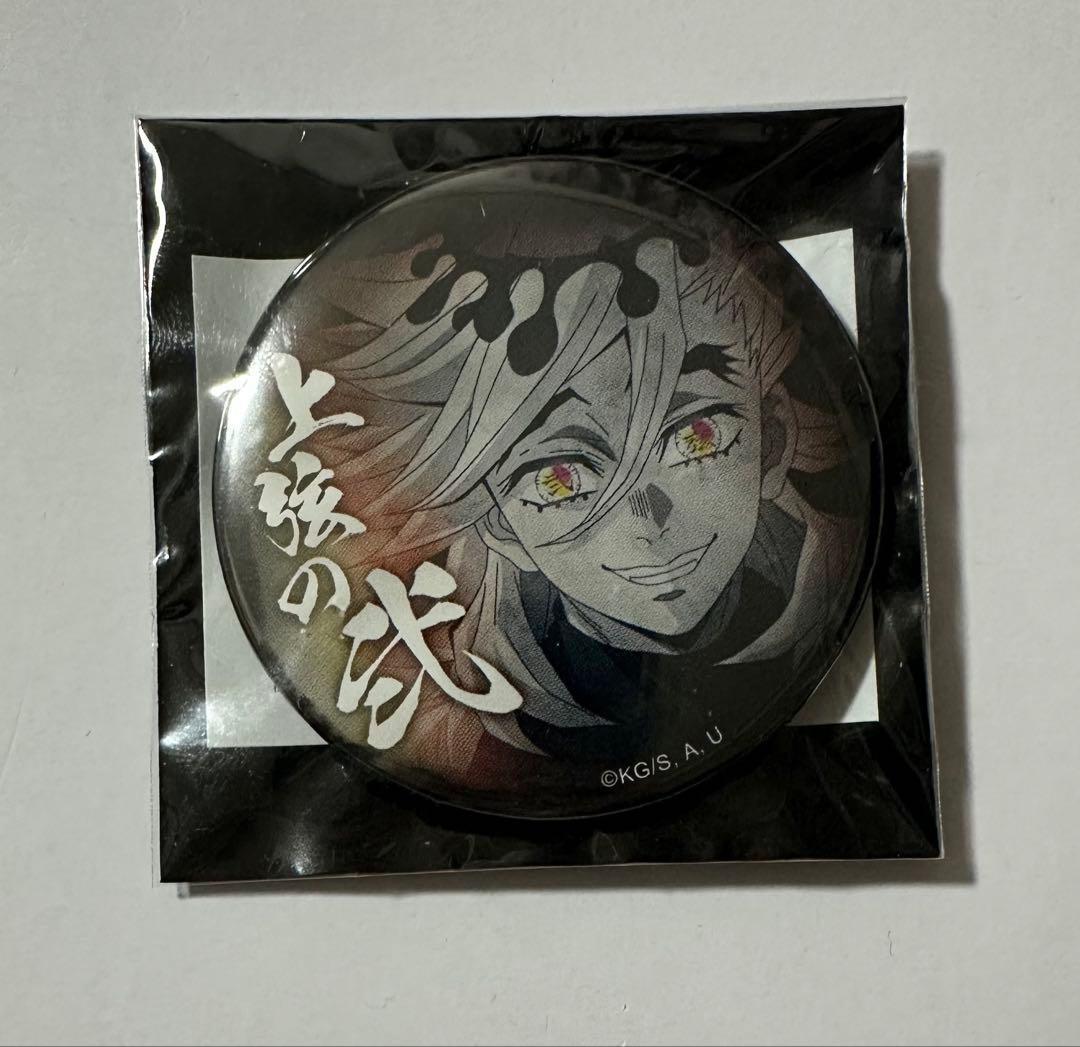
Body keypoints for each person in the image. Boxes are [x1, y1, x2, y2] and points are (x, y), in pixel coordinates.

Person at [297, 180, 867, 789]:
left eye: (697, 435)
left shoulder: (824, 589)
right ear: (500, 525)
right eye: (559, 477)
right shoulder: (471, 722)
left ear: (772, 440)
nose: (648, 522)